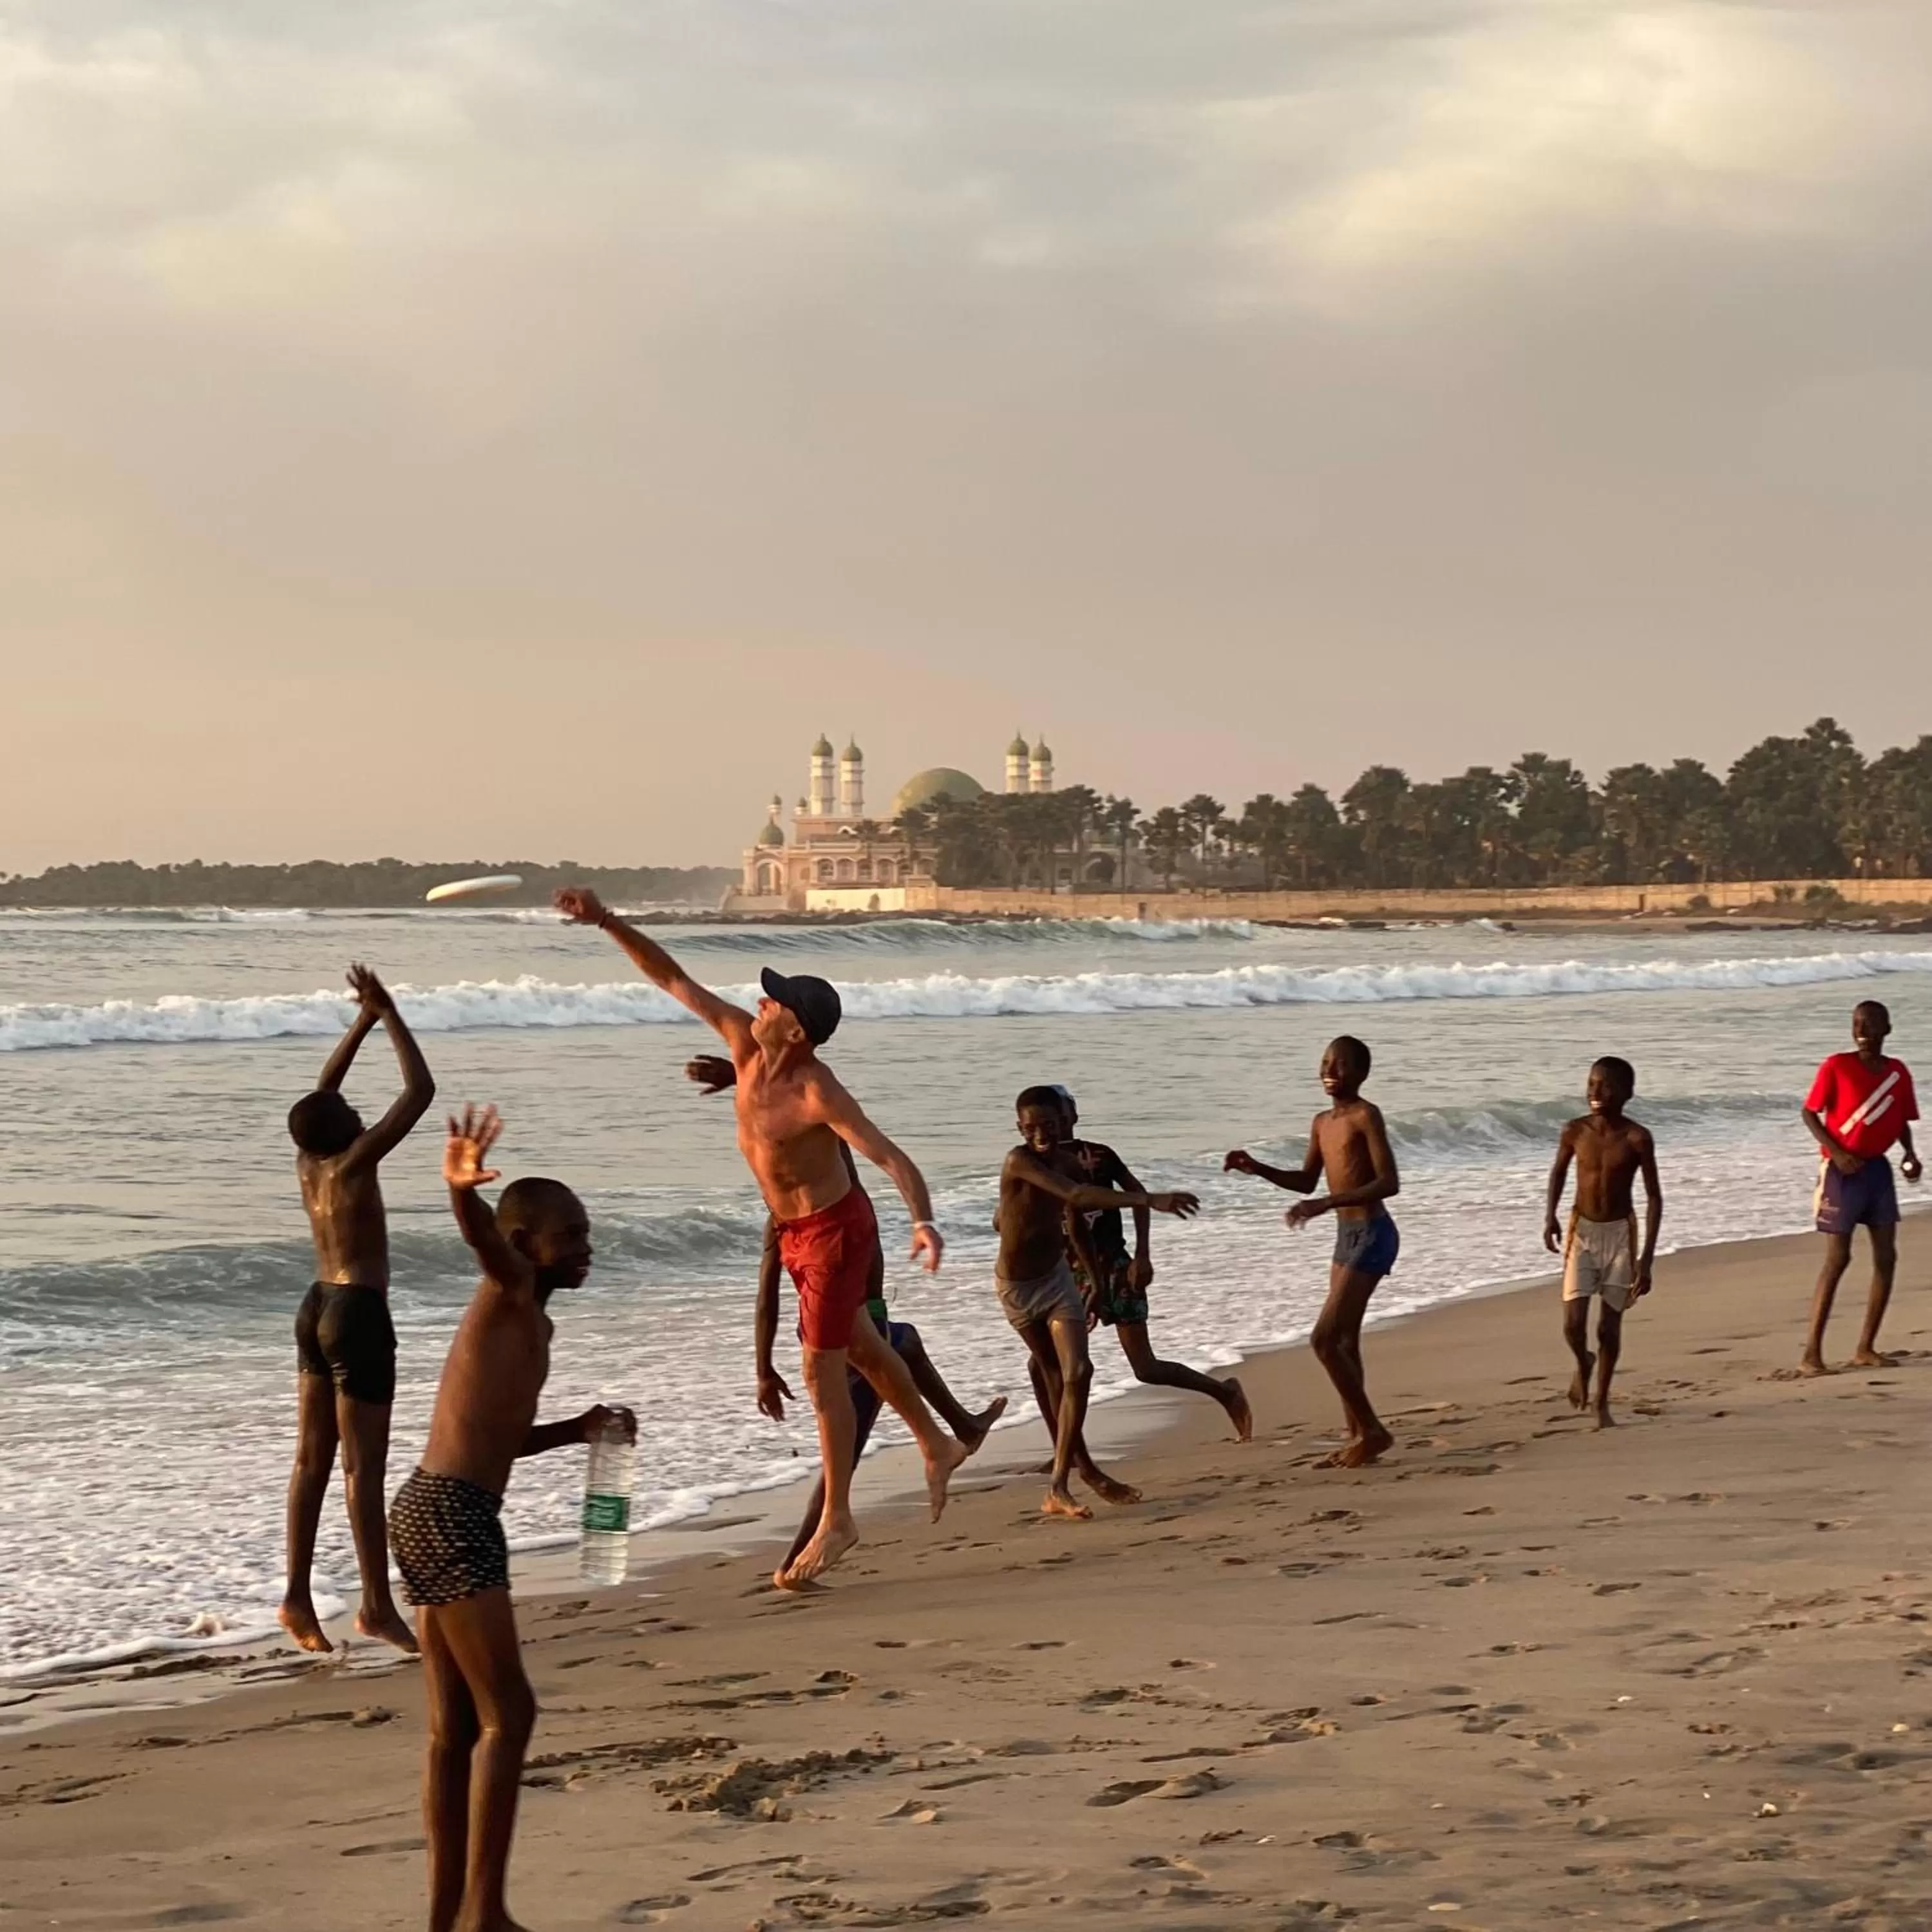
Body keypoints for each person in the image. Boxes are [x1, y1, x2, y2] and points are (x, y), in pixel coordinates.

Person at [556, 887, 971, 1587]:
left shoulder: (817, 1092)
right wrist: (605, 920)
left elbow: (890, 1156)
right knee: (864, 1348)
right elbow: (671, 977)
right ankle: (937, 1443)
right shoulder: (742, 1047)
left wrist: (923, 1221)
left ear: (797, 1031)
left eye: (774, 1003)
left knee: (820, 1371)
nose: (761, 1003)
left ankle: (838, 1517)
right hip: (795, 1231)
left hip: (835, 1232)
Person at [391, 1103, 632, 1932]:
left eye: (587, 1232)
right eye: (570, 1236)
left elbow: (499, 1436)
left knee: (456, 1728)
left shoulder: (535, 1321)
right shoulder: (508, 1288)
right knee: (512, 1714)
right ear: (526, 1244)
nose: (586, 1247)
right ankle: (486, 1913)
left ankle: (446, 1919)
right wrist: (461, 1191)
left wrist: (580, 1429)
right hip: (450, 1515)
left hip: (431, 1506)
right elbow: (483, 1243)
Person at [685, 1054, 1007, 1587]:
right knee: (856, 1425)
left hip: (853, 1325)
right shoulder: (795, 1217)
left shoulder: (837, 1203)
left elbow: (812, 1112)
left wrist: (742, 1078)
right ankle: (955, 1433)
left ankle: (955, 1432)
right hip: (842, 1335)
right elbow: (766, 1295)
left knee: (880, 1382)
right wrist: (763, 1369)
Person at [280, 962, 436, 1655]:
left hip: (314, 1304)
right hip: (357, 1313)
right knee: (361, 1469)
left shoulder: (309, 1162)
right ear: (341, 1132)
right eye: (352, 1118)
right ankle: (375, 1604)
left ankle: (296, 1597)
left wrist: (362, 1021)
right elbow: (420, 1092)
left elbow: (324, 1094)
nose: (360, 1115)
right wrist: (392, 1014)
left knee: (311, 1461)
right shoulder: (354, 1161)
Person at [999, 1085, 1200, 1520]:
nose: (1042, 1134)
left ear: (1065, 1122)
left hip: (1059, 1279)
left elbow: (1076, 1221)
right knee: (1050, 1371)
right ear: (1019, 1128)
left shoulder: (1073, 1164)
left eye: (1050, 1125)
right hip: (1018, 1288)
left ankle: (1059, 1485)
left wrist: (1093, 1281)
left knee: (1079, 1371)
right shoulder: (1017, 1160)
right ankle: (1084, 1468)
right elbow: (1062, 1201)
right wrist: (1148, 1199)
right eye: (1032, 1127)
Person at [1035, 1086, 1251, 1444]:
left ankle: (1225, 1392)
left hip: (1114, 1267)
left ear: (1071, 1117)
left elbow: (1139, 1198)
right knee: (1046, 1364)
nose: (1051, 1127)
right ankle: (1065, 1449)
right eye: (1044, 1121)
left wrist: (1143, 1255)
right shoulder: (1036, 1165)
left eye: (1058, 1116)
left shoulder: (1099, 1156)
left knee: (1145, 1367)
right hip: (1067, 1275)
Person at [1224, 1034, 1400, 1469]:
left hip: (1373, 1233)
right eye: (1325, 1063)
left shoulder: (1365, 1115)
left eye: (1341, 1064)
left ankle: (1372, 1431)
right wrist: (1257, 1168)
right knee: (1344, 1340)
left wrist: (1326, 1203)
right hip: (1346, 1236)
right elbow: (1306, 1181)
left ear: (1361, 1073)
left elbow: (1388, 1183)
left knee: (1323, 1339)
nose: (1330, 1071)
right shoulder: (1322, 1122)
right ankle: (1359, 1436)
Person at [1800, 999, 1922, 1374]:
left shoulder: (1897, 1072)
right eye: (1857, 1024)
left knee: (1886, 1257)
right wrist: (1837, 1153)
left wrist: (1910, 1153)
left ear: (1887, 1029)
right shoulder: (1837, 1066)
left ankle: (1866, 1348)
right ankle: (1811, 1355)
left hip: (1877, 1171)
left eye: (1870, 1024)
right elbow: (1810, 1112)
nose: (1863, 1032)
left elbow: (1900, 1117)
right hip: (1842, 1173)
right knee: (1838, 1259)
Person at [1542, 1056, 1663, 1429]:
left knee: (1609, 1327)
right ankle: (1584, 1361)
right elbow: (1559, 1173)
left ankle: (1602, 1401)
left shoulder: (1637, 1138)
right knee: (1572, 1325)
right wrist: (1550, 1216)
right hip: (1582, 1230)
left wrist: (1647, 1259)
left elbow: (1654, 1197)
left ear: (1627, 1093)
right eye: (1592, 1084)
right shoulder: (1575, 1131)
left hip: (1620, 1234)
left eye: (1606, 1086)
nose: (1595, 1092)